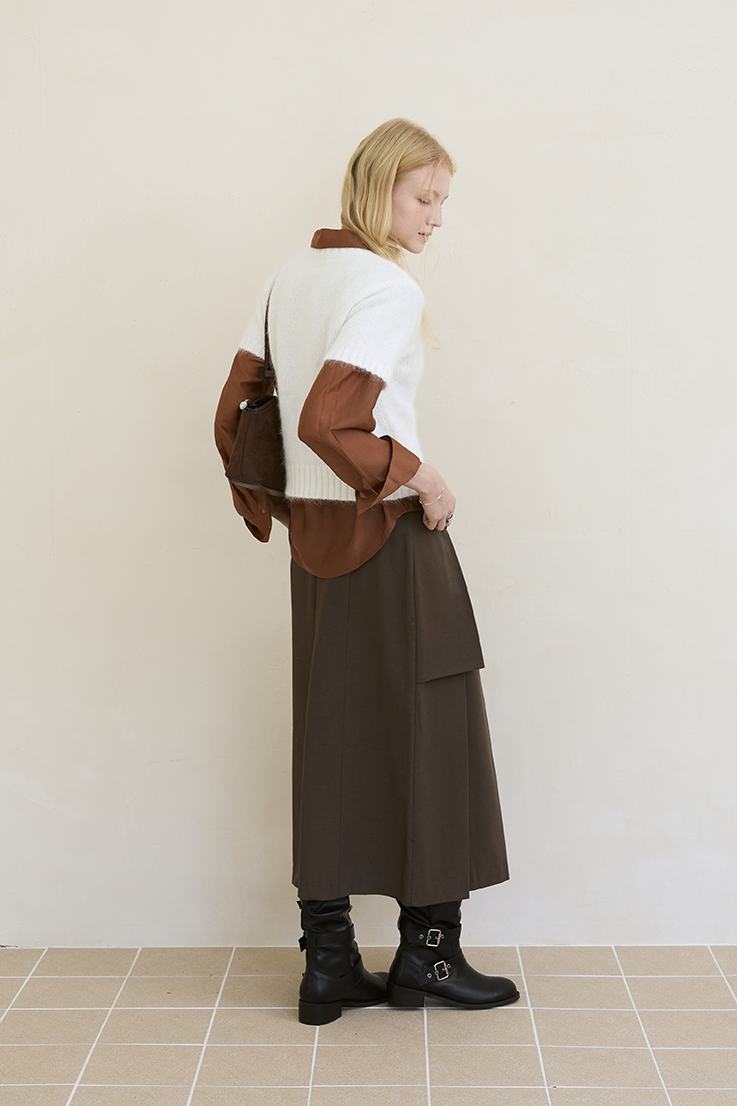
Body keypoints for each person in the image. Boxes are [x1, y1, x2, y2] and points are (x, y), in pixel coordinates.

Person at [215, 118, 519, 1025]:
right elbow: (327, 420)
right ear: (378, 186)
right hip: (390, 532)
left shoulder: (287, 277)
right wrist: (420, 477)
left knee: (331, 735)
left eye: (442, 201)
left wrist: (283, 506)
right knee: (436, 728)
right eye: (424, 197)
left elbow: (236, 410)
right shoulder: (384, 286)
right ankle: (428, 955)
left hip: (318, 545)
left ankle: (329, 963)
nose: (435, 217)